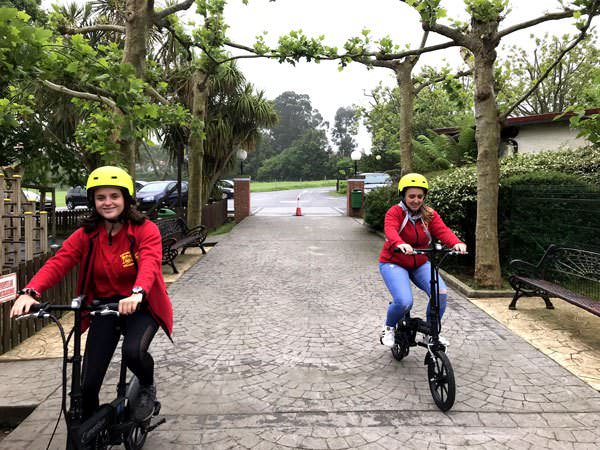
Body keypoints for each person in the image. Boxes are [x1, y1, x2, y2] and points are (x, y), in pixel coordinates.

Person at [10, 166, 173, 422]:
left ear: (126, 198)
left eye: (114, 196)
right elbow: (59, 262)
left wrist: (137, 293)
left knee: (133, 352)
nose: (107, 202)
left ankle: (146, 384)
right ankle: (92, 429)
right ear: (92, 201)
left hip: (141, 305)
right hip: (102, 308)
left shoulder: (144, 230)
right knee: (86, 386)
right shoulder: (86, 235)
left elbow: (151, 263)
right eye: (100, 197)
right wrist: (30, 292)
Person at [379, 173, 466, 348]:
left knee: (440, 294)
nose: (416, 200)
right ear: (403, 195)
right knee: (404, 301)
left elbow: (443, 231)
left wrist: (456, 243)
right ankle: (388, 328)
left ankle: (431, 333)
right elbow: (391, 230)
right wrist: (400, 243)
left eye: (420, 196)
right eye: (411, 196)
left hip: (419, 262)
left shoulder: (429, 215)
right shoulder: (394, 212)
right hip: (393, 262)